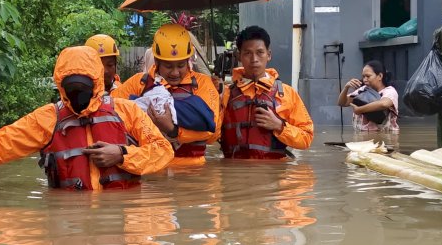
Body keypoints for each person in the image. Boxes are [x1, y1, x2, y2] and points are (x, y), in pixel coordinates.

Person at [0, 46, 174, 190]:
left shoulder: (127, 111)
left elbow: (162, 151)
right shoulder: (48, 119)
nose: (78, 96)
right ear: (61, 86)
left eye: (83, 87)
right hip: (68, 223)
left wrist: (122, 154)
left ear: (97, 82)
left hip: (121, 217)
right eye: (71, 88)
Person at [111, 23, 220, 166]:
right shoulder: (138, 83)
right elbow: (111, 114)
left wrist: (173, 130)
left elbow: (213, 132)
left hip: (194, 169)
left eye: (181, 65)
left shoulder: (203, 83)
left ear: (188, 61)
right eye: (168, 66)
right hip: (152, 168)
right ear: (156, 61)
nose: (175, 73)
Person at [219, 26, 314, 159]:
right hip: (234, 174)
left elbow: (306, 139)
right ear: (239, 56)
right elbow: (210, 136)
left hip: (274, 176)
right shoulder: (225, 94)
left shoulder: (286, 93)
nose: (254, 59)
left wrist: (280, 126)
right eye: (247, 53)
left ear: (268, 55)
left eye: (260, 52)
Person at [337, 60, 400, 132]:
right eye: (363, 76)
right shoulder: (362, 90)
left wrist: (359, 109)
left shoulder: (389, 91)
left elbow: (384, 104)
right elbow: (342, 103)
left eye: (368, 76)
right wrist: (346, 87)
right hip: (363, 135)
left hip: (385, 137)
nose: (364, 80)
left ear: (380, 76)